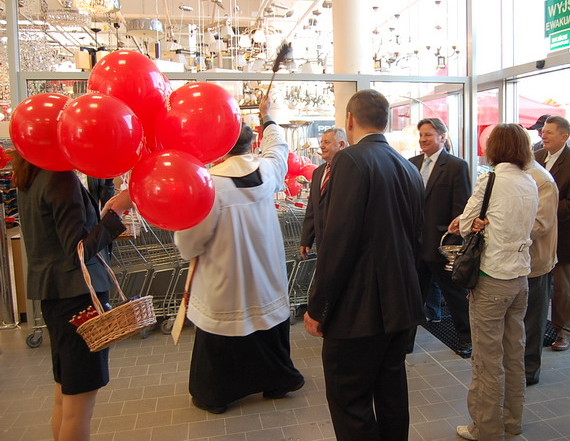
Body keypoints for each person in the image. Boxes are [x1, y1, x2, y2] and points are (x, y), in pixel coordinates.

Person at [303, 89, 425, 440]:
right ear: (385, 121)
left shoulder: (350, 161)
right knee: (391, 392)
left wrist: (319, 306)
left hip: (359, 308)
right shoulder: (408, 167)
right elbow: (414, 240)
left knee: (349, 398)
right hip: (400, 302)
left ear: (350, 121)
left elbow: (339, 241)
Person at [174, 98, 304, 415]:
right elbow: (279, 148)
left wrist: (185, 246)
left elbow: (191, 240)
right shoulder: (267, 170)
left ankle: (217, 394)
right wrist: (267, 117)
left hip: (225, 278)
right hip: (265, 275)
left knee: (222, 337)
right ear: (251, 144)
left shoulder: (209, 185)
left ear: (218, 146)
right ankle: (276, 381)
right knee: (266, 327)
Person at [13, 150, 132, 441]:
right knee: (79, 404)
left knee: (66, 396)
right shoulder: (59, 177)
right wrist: (117, 215)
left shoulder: (31, 173)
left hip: (55, 296)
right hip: (78, 299)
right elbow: (78, 250)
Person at [449, 123, 538, 441]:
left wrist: (471, 223)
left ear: (495, 148)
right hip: (519, 277)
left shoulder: (491, 180)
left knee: (487, 360)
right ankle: (512, 421)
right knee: (514, 352)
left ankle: (485, 429)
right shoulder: (531, 181)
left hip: (491, 279)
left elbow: (462, 225)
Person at [409, 117, 472, 356]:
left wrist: (453, 245)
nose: (423, 139)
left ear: (442, 137)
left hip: (441, 243)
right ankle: (405, 342)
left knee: (454, 295)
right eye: (421, 135)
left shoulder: (456, 166)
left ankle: (467, 338)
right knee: (413, 295)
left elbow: (461, 208)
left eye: (428, 134)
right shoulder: (412, 163)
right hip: (415, 244)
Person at [535, 115, 570, 352]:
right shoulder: (536, 158)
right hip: (539, 234)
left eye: (549, 132)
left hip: (566, 234)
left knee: (564, 287)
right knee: (539, 283)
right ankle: (537, 326)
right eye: (543, 131)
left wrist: (543, 212)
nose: (543, 135)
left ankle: (566, 331)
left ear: (564, 137)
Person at [523, 161, 559, 386]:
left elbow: (539, 225)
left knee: (533, 319)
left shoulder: (542, 180)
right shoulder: (506, 174)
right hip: (514, 260)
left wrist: (502, 230)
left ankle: (528, 370)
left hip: (536, 260)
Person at [299, 126, 347, 259]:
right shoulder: (318, 172)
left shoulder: (349, 172)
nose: (322, 147)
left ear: (341, 145)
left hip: (342, 242)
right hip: (322, 242)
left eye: (327, 142)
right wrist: (306, 239)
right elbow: (312, 208)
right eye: (321, 142)